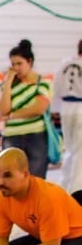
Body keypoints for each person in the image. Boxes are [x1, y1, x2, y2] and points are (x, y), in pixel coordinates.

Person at [0, 39, 51, 179]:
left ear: (30, 62)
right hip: (12, 136)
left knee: (36, 177)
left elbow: (38, 109)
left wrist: (12, 115)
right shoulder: (6, 86)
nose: (16, 68)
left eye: (19, 63)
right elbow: (3, 110)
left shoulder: (43, 83)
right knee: (12, 178)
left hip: (36, 135)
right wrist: (8, 81)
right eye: (13, 64)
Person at [53, 39, 82, 193]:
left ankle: (64, 185)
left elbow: (56, 87)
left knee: (70, 148)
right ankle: (76, 189)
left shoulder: (64, 64)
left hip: (66, 107)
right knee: (80, 150)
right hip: (80, 107)